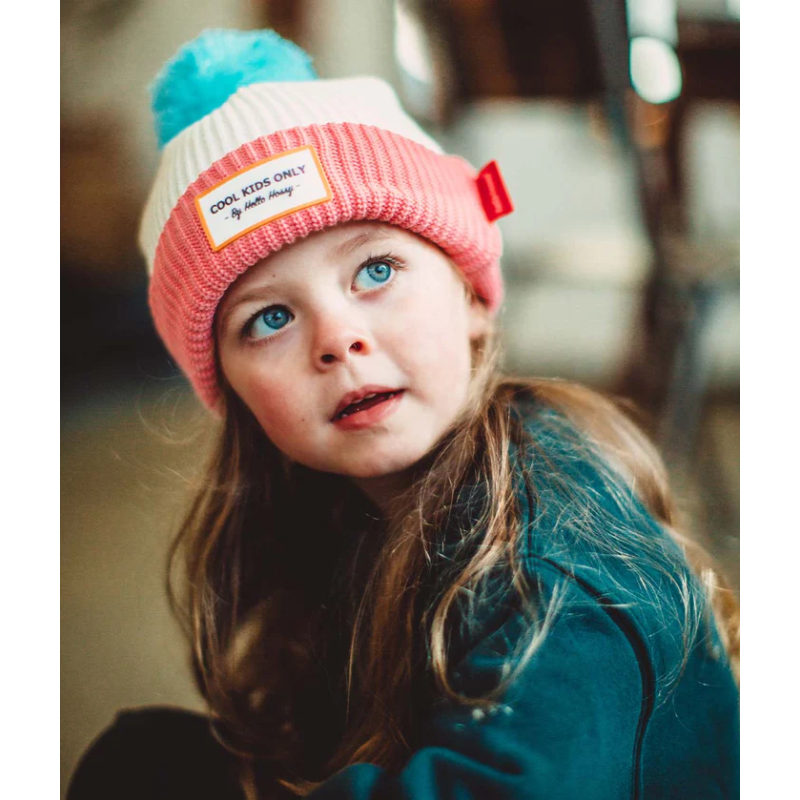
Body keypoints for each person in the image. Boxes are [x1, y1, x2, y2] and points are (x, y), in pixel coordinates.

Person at [67, 28, 739, 800]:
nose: (337, 338)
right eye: (270, 319)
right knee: (143, 757)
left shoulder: (555, 572)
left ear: (470, 296)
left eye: (375, 270)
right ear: (235, 394)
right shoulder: (330, 511)